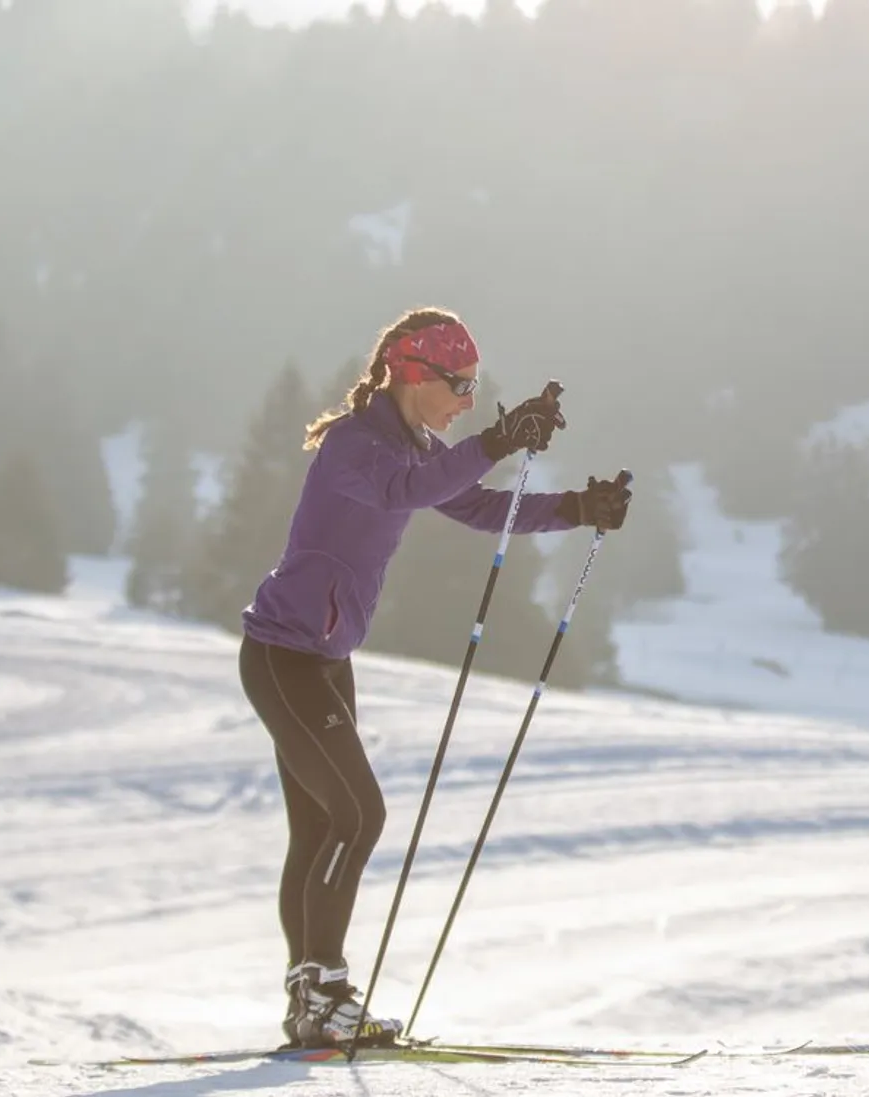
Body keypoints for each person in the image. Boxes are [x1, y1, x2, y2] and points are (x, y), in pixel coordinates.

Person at [237, 307, 633, 1049]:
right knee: (359, 816)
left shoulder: (415, 444)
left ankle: (310, 999)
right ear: (410, 372)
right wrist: (495, 440)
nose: (466, 399)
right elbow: (400, 493)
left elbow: (478, 505)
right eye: (458, 384)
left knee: (322, 826)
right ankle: (322, 989)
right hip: (282, 658)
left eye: (474, 388)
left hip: (322, 657)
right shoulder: (357, 447)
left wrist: (579, 508)